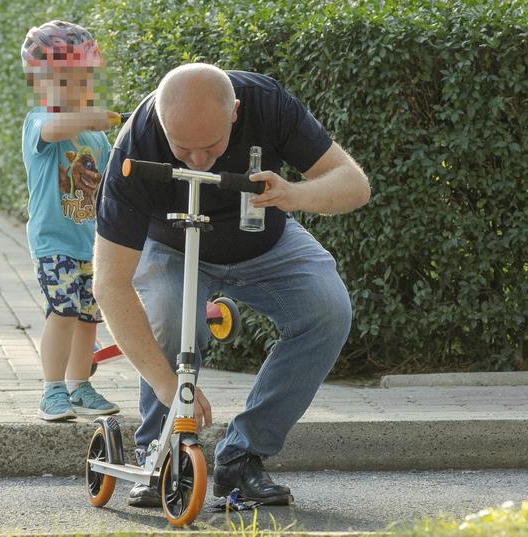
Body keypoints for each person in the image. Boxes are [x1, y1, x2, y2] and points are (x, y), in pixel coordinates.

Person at [94, 63, 370, 505]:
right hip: (173, 246)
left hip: (267, 241)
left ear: (235, 113)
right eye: (182, 149)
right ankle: (160, 451)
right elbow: (110, 284)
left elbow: (354, 185)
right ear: (161, 123)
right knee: (169, 314)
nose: (199, 161)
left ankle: (242, 457)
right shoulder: (136, 142)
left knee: (327, 309)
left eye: (212, 146)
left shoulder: (268, 103)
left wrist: (293, 194)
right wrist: (168, 384)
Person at [21, 20, 119, 421]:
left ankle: (80, 386)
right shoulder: (39, 123)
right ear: (41, 85)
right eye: (65, 83)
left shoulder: (96, 139)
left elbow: (113, 177)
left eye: (84, 82)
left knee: (87, 317)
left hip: (89, 242)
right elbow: (57, 128)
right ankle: (52, 390)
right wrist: (88, 118)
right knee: (62, 311)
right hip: (54, 242)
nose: (77, 91)